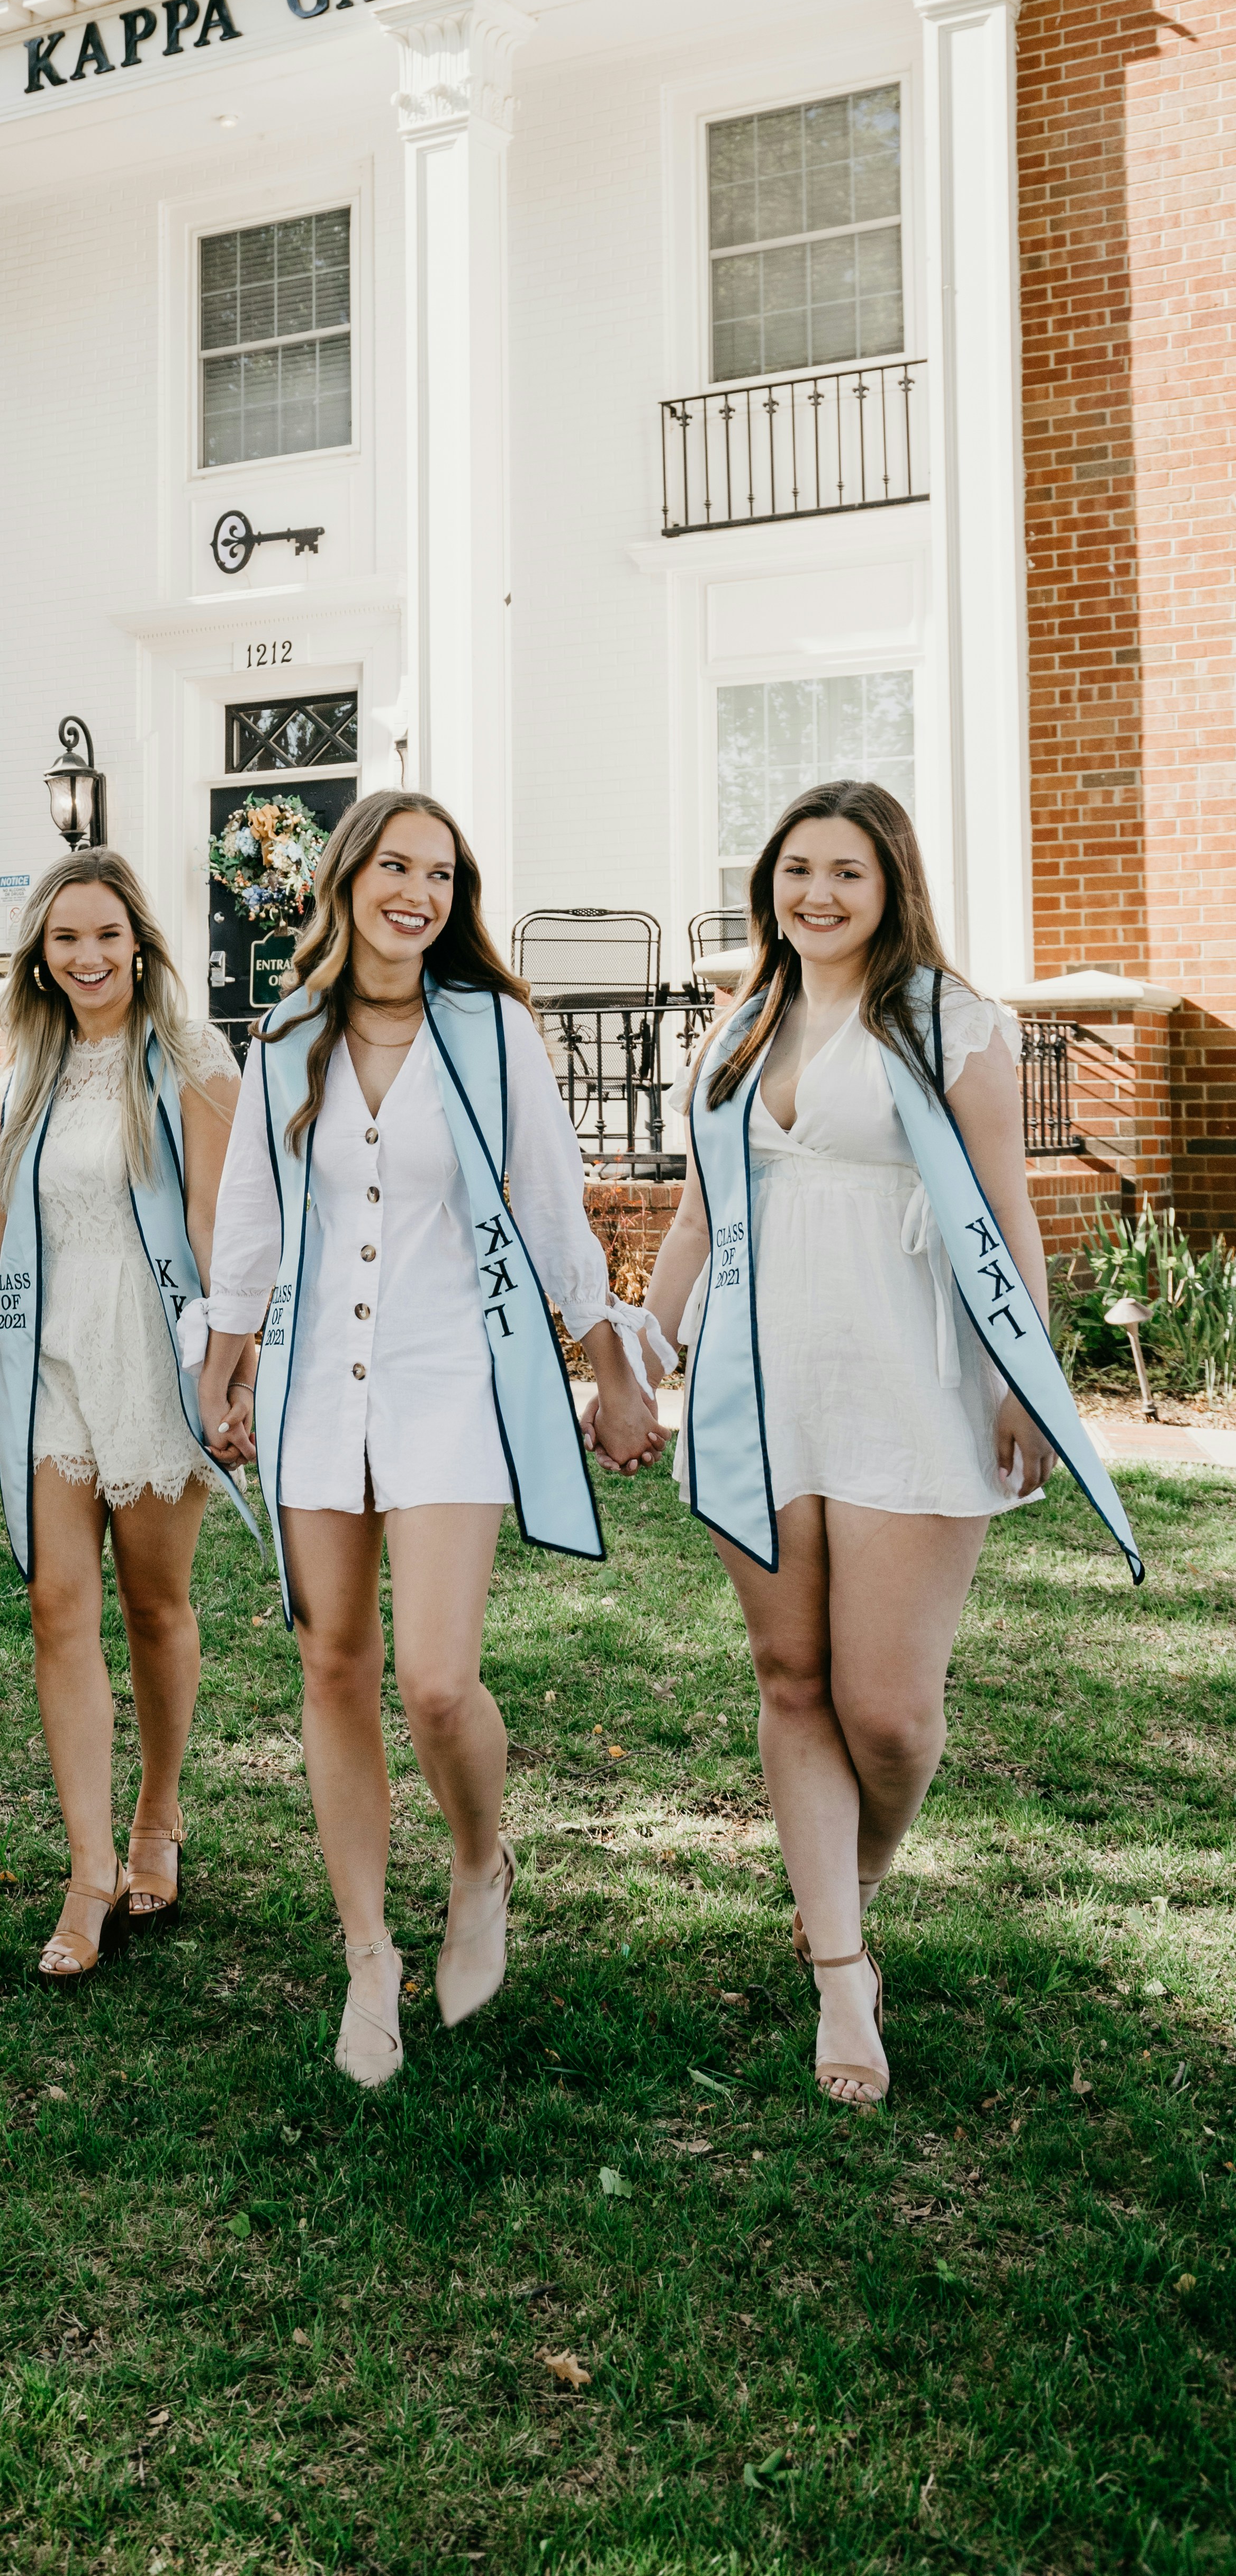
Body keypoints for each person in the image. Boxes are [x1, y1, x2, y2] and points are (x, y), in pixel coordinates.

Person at [643, 781, 1142, 2110]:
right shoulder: (736, 1028)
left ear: (890, 886)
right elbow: (694, 1216)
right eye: (796, 869)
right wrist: (639, 1356)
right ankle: (839, 1971)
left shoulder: (947, 1022)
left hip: (910, 1384)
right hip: (759, 1391)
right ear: (769, 885)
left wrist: (1029, 1378)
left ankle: (857, 1878)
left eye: (846, 873)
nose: (817, 894)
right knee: (789, 1675)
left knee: (887, 1709)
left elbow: (1005, 1210)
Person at [195, 794, 671, 2088]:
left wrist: (609, 1363)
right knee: (331, 1665)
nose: (418, 893)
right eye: (395, 867)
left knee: (436, 1682)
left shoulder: (489, 1028)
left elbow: (549, 1207)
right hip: (313, 1388)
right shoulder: (287, 1032)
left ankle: (477, 1860)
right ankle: (367, 1953)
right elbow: (252, 1216)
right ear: (347, 880)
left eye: (442, 876)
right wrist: (221, 1362)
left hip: (448, 1378)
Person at [0, 851, 251, 1979]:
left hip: (154, 1350)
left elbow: (217, 1223)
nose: (87, 957)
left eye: (107, 935)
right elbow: (3, 1222)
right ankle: (87, 1873)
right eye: (66, 938)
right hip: (52, 1354)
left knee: (154, 1603)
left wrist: (231, 1370)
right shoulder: (33, 1063)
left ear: (139, 944)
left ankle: (158, 1817)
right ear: (40, 956)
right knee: (55, 1605)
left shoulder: (192, 1058)